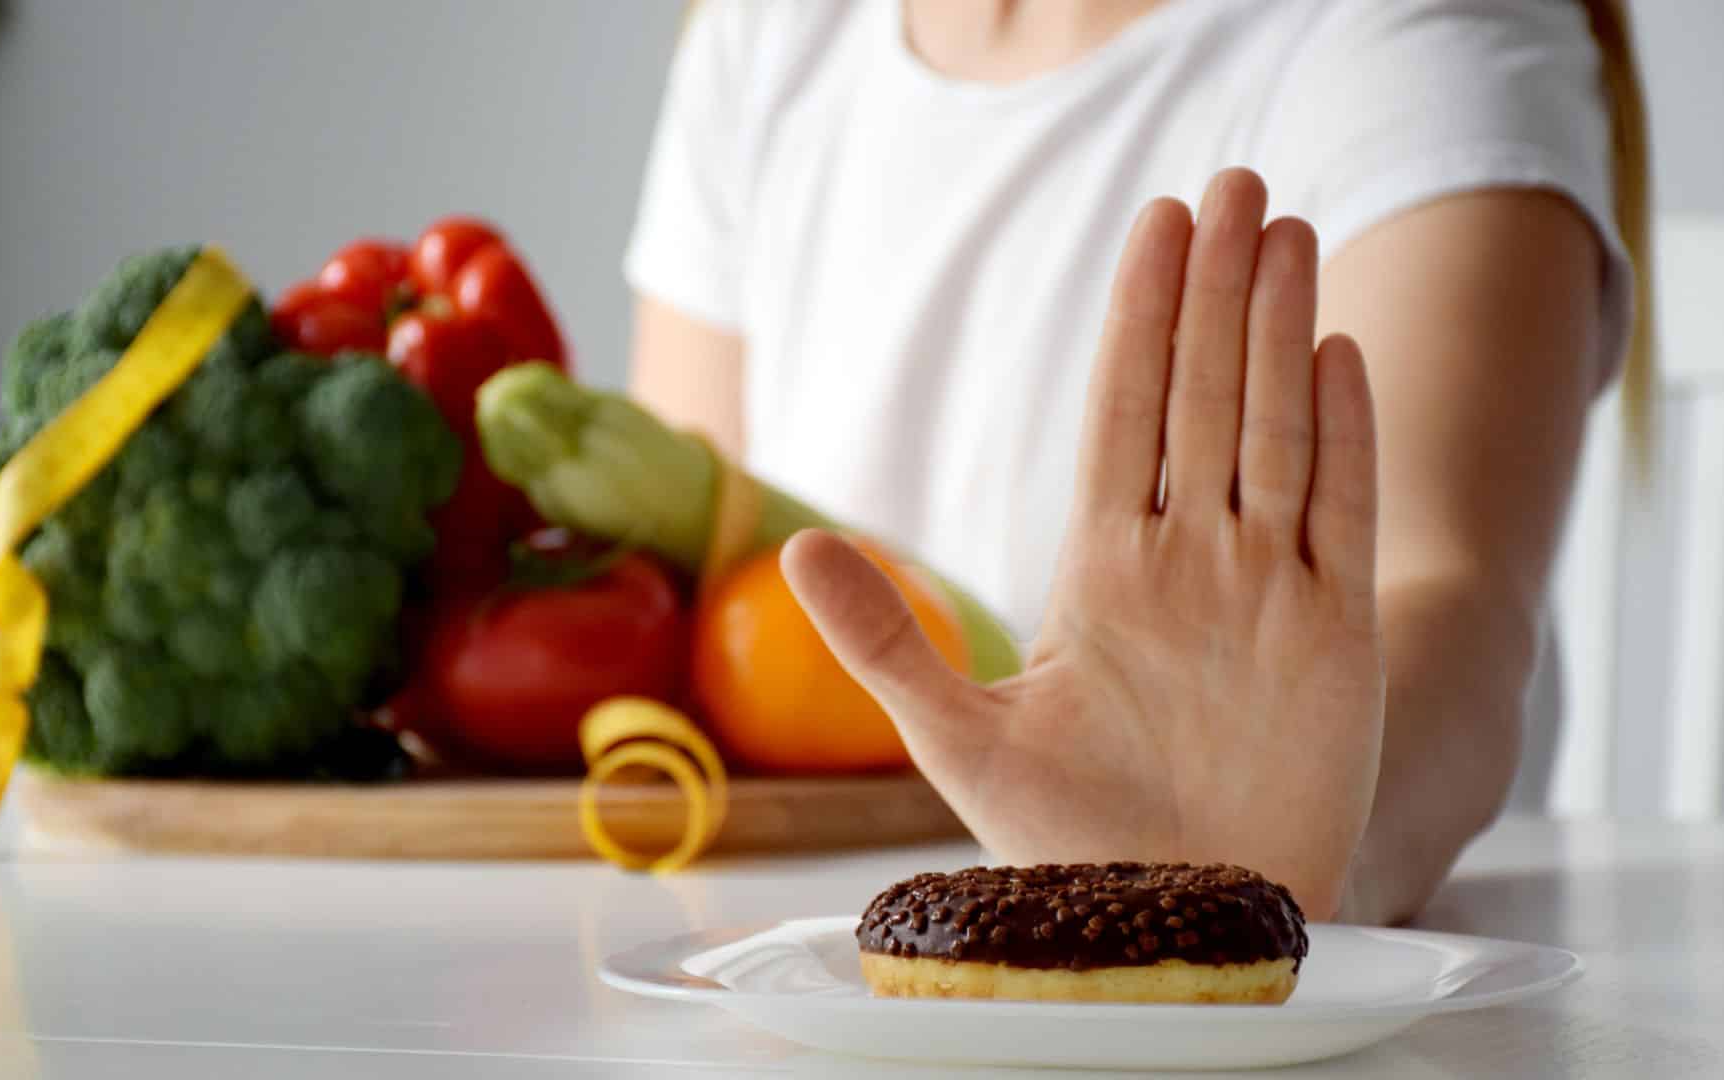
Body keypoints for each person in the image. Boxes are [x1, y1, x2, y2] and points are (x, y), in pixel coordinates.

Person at [623, 0, 1651, 924]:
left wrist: (1272, 877)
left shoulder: (1422, 38)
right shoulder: (772, 34)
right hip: (851, 992)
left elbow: (1450, 605)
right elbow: (680, 591)